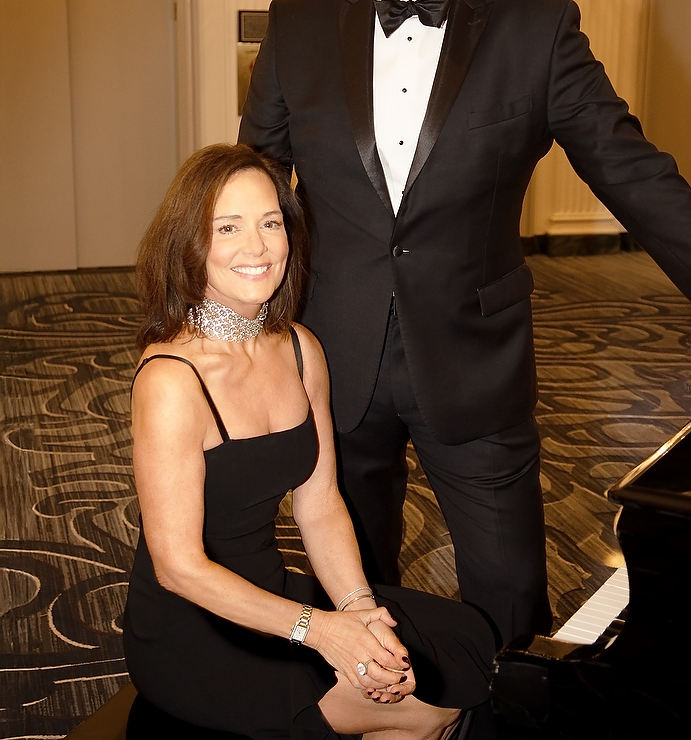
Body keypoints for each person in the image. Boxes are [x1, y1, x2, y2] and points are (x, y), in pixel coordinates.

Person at [238, 0, 691, 647]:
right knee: (351, 583)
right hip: (332, 356)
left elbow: (629, 168)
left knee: (508, 600)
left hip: (475, 359)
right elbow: (253, 184)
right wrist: (236, 325)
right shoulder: (298, 23)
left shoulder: (537, 28)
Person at [122, 142, 494, 740]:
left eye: (271, 222)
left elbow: (318, 503)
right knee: (432, 709)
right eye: (228, 227)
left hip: (271, 592)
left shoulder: (299, 348)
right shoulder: (172, 379)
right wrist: (321, 631)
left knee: (457, 646)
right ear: (190, 245)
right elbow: (180, 569)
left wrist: (356, 610)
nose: (257, 247)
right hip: (192, 627)